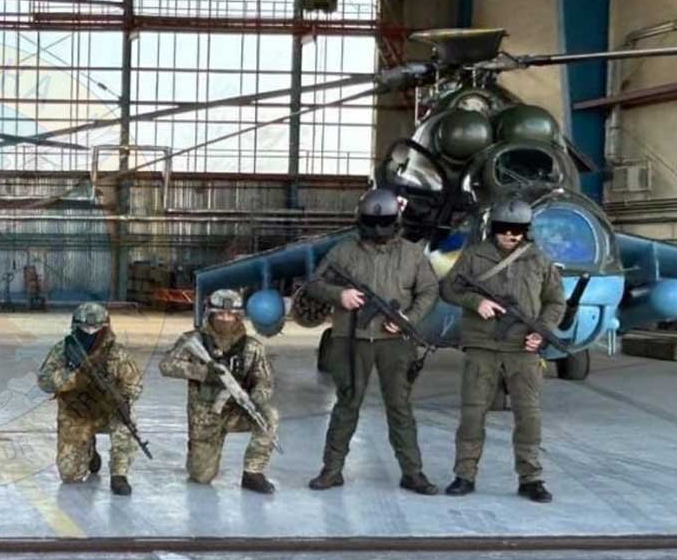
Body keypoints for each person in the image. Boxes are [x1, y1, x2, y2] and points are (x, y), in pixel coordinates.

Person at [304, 188, 441, 495]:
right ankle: (332, 470)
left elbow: (429, 290)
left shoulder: (412, 254)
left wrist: (408, 318)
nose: (378, 230)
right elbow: (314, 283)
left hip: (395, 341)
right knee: (347, 403)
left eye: (384, 223)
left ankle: (412, 472)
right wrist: (339, 295)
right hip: (351, 338)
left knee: (400, 407)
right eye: (372, 223)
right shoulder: (343, 251)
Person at [440, 198, 565, 503]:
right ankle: (464, 474)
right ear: (493, 228)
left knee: (528, 415)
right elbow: (448, 288)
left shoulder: (538, 260)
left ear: (526, 231)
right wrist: (476, 302)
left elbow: (555, 301)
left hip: (522, 349)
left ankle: (531, 478)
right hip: (482, 346)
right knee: (472, 413)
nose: (510, 235)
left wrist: (541, 330)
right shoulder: (474, 256)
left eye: (517, 230)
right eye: (504, 229)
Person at [157, 289, 278, 494]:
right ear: (210, 314)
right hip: (205, 416)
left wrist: (255, 398)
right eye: (220, 314)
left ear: (239, 316)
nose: (225, 319)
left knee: (269, 417)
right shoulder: (194, 340)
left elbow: (266, 381)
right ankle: (198, 450)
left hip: (238, 411)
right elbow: (166, 365)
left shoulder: (252, 347)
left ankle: (253, 473)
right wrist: (204, 373)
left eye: (231, 314)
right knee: (201, 476)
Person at [37, 302, 144, 496]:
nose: (90, 333)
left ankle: (119, 475)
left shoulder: (116, 353)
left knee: (126, 422)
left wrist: (117, 397)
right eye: (84, 328)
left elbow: (135, 385)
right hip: (76, 413)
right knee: (70, 476)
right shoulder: (63, 350)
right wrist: (74, 377)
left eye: (96, 328)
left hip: (107, 412)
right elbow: (44, 382)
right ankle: (90, 450)